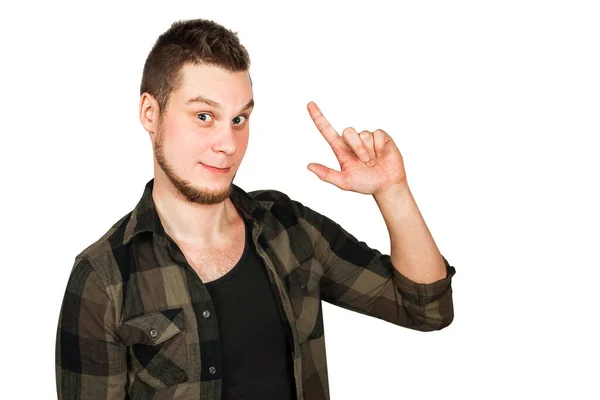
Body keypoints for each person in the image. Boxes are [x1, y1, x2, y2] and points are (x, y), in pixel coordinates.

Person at [55, 18, 456, 400]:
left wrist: (393, 191)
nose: (228, 143)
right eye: (203, 116)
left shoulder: (288, 227)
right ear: (150, 113)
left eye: (239, 118)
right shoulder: (104, 278)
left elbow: (426, 309)